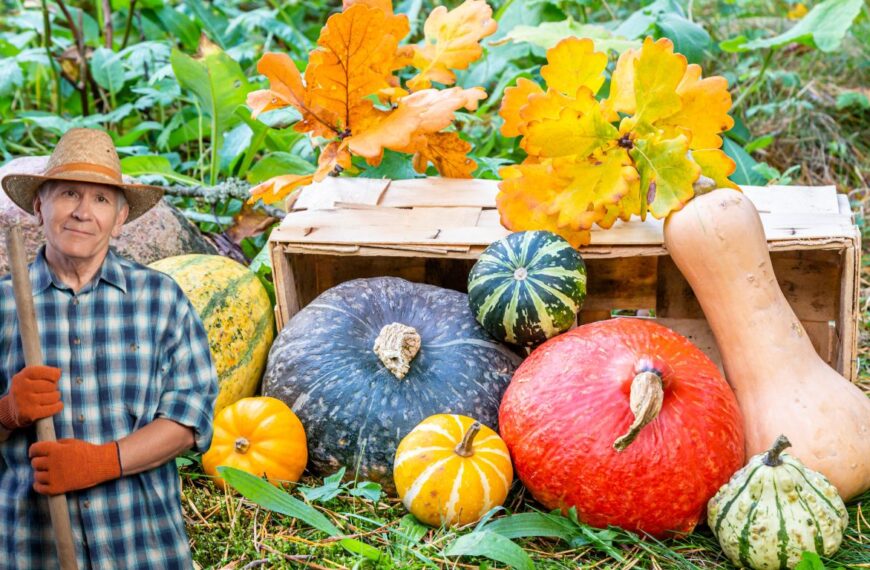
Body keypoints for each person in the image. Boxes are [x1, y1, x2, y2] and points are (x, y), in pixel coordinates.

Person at [0, 128, 218, 569]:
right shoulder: (4, 304)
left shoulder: (161, 299)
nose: (83, 212)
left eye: (101, 200)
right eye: (68, 194)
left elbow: (190, 418)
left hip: (140, 545)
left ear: (120, 219)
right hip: (28, 547)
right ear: (40, 206)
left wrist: (102, 462)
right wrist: (7, 412)